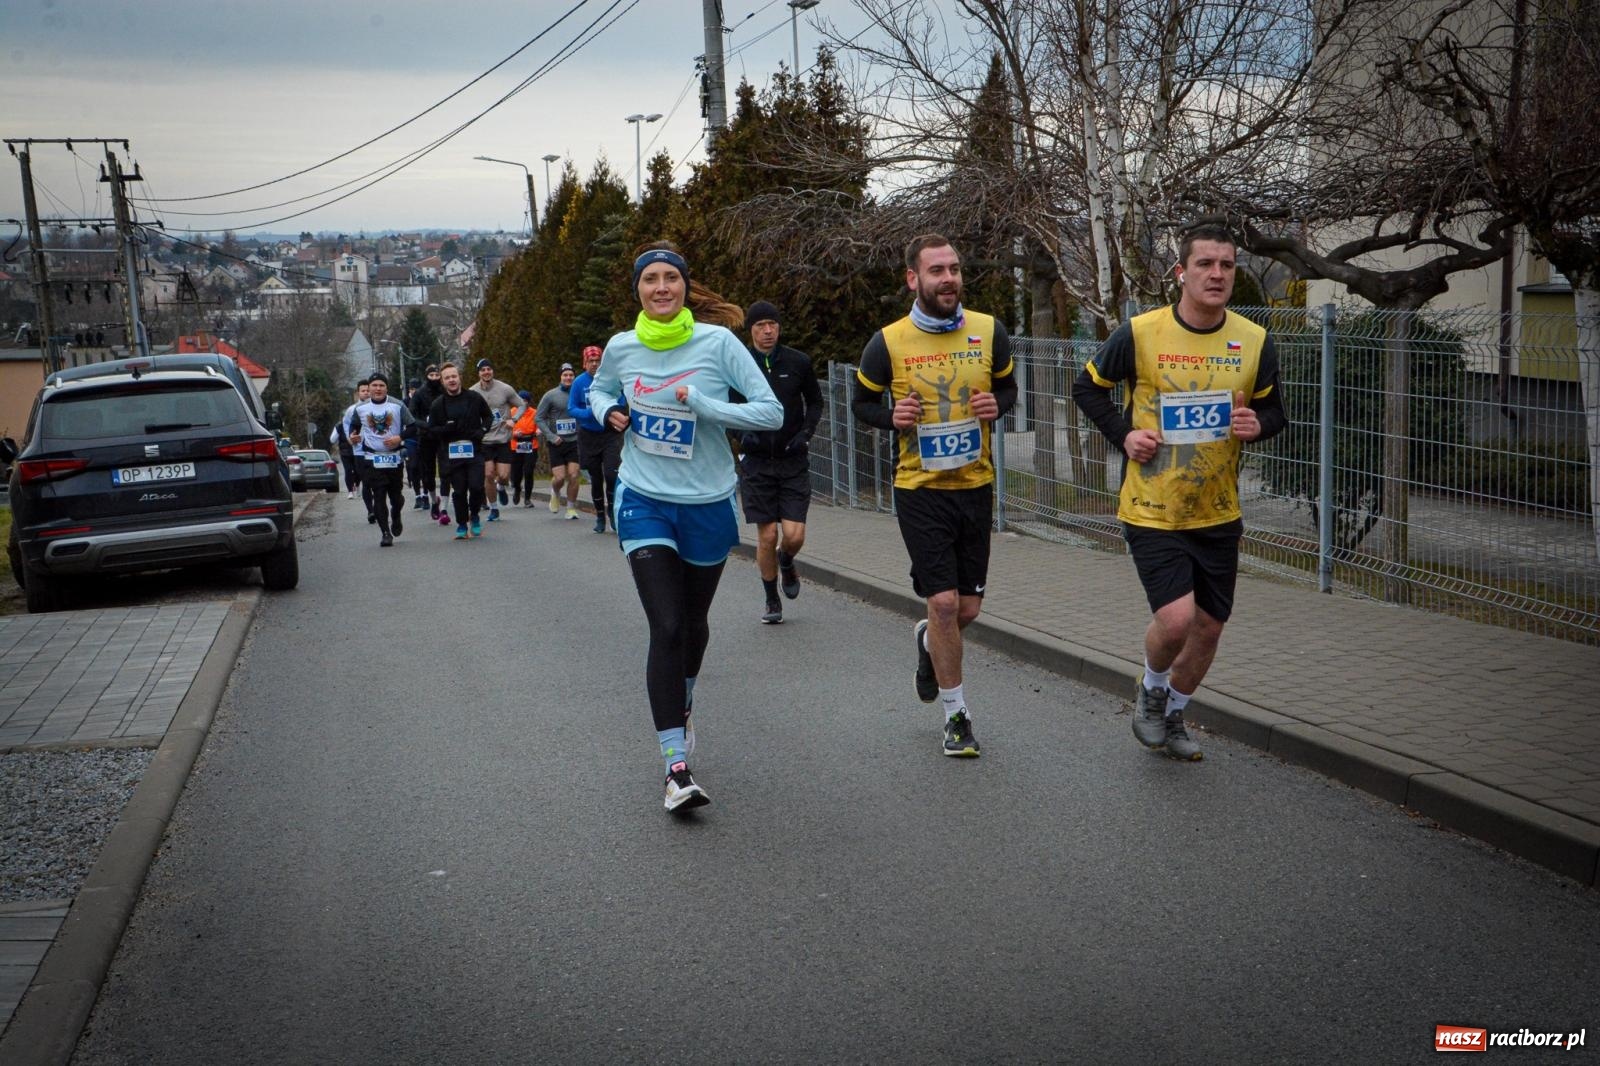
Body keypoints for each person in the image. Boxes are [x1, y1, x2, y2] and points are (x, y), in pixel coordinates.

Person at [1071, 223, 1286, 761]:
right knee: (1177, 620)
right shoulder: (1140, 333)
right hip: (1152, 507)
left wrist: (1257, 426)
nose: (1216, 274)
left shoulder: (1253, 339)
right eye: (1205, 264)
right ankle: (1150, 689)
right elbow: (1086, 388)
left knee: (1210, 627)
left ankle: (1172, 717)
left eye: (1227, 265)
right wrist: (1125, 435)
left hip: (1216, 509)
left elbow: (1274, 410)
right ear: (1181, 273)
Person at [587, 242, 782, 812]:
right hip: (643, 497)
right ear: (638, 291)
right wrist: (608, 411)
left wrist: (704, 405)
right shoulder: (623, 348)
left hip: (707, 502)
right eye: (651, 279)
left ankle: (684, 698)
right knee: (666, 625)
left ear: (685, 287)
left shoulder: (718, 344)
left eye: (672, 277)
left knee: (694, 624)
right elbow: (600, 389)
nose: (662, 287)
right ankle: (675, 765)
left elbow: (770, 412)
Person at [851, 234, 1016, 758]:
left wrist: (998, 405)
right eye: (937, 271)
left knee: (966, 609)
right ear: (912, 278)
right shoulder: (888, 341)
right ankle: (957, 716)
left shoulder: (989, 331)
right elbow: (861, 402)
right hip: (919, 488)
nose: (949, 279)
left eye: (955, 269)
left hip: (975, 485)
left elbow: (1009, 388)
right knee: (943, 602)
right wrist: (890, 416)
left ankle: (928, 642)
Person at [731, 300, 823, 623]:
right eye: (760, 326)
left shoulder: (798, 362)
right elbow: (725, 408)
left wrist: (806, 434)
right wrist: (742, 434)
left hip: (792, 460)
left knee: (794, 536)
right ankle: (771, 599)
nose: (767, 331)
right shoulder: (738, 365)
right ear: (751, 330)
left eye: (772, 324)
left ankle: (787, 561)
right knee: (767, 535)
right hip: (756, 463)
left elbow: (815, 402)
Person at [347, 373, 415, 547]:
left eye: (381, 385)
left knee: (395, 497)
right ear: (368, 389)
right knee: (378, 495)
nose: (378, 389)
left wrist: (399, 438)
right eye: (374, 385)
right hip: (372, 458)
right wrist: (353, 436)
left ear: (386, 388)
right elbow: (354, 426)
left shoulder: (397, 406)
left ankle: (396, 515)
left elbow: (413, 427)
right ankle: (385, 533)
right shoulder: (361, 409)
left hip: (394, 458)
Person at [427, 363, 494, 538]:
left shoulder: (474, 397)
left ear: (460, 378)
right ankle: (462, 524)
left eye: (454, 376)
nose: (451, 380)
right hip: (452, 454)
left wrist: (482, 431)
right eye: (447, 378)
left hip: (474, 450)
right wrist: (446, 430)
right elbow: (431, 429)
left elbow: (488, 416)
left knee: (476, 486)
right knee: (459, 490)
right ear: (442, 382)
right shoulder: (438, 404)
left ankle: (475, 516)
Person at [570, 344, 625, 533]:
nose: (594, 364)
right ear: (584, 363)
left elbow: (623, 401)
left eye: (597, 361)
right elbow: (572, 408)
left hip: (609, 434)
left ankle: (613, 515)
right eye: (590, 361)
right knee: (595, 477)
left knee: (612, 474)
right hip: (588, 435)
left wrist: (611, 411)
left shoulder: (611, 381)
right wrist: (590, 413)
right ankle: (600, 516)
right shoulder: (579, 382)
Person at [471, 358, 522, 522]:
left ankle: (501, 487)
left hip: (502, 439)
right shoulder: (473, 392)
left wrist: (514, 420)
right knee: (488, 475)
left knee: (503, 476)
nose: (486, 372)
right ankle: (494, 508)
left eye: (489, 369)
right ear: (479, 373)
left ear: (492, 371)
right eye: (483, 370)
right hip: (484, 440)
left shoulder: (505, 389)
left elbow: (521, 405)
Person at [535, 363, 582, 519]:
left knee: (574, 475)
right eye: (565, 375)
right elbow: (539, 418)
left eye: (571, 375)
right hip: (557, 442)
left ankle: (570, 508)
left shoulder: (579, 393)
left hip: (574, 441)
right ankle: (555, 492)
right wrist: (551, 436)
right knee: (560, 478)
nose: (568, 378)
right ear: (560, 377)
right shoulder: (550, 395)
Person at [332, 380, 375, 521]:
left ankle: (379, 505)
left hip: (377, 451)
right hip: (359, 451)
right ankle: (371, 511)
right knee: (366, 481)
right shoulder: (352, 410)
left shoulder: (378, 406)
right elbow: (346, 425)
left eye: (368, 390)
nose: (366, 393)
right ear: (358, 393)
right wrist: (350, 438)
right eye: (363, 391)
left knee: (378, 481)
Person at [409, 364, 445, 519]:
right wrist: (425, 425)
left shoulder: (445, 391)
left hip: (444, 436)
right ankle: (433, 500)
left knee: (446, 471)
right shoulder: (419, 394)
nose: (435, 379)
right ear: (426, 376)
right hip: (426, 437)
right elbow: (411, 415)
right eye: (431, 376)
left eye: (437, 376)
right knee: (428, 474)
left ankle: (444, 506)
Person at [508, 389, 541, 506]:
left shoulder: (535, 413)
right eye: (521, 400)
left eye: (525, 400)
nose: (523, 402)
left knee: (528, 471)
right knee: (515, 473)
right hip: (515, 444)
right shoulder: (512, 412)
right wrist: (514, 433)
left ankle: (527, 498)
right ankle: (517, 488)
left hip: (531, 443)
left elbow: (541, 424)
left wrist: (538, 430)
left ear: (529, 401)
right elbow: (505, 430)